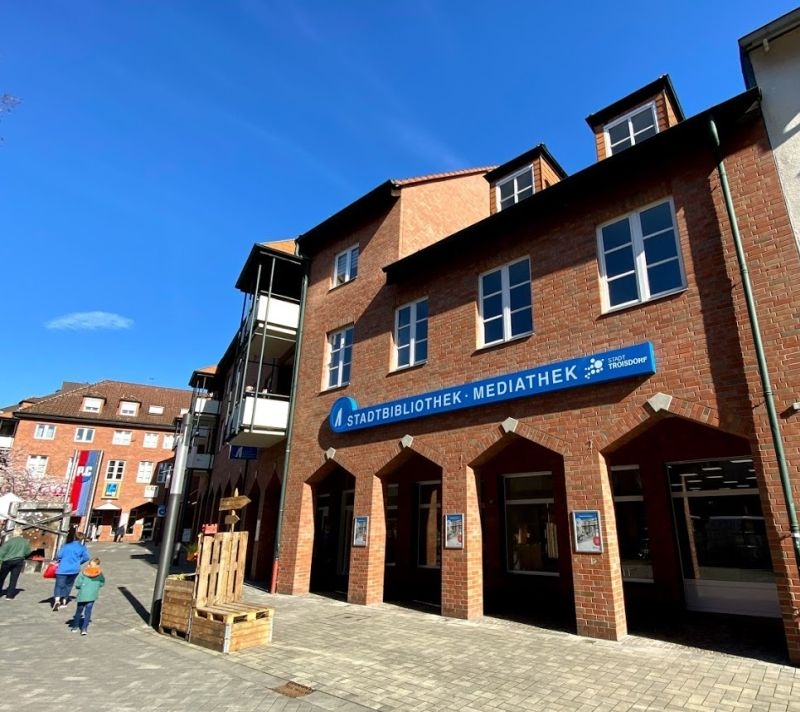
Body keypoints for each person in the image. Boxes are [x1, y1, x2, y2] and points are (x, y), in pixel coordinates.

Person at [52, 530, 90, 611]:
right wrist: (79, 562)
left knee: (59, 585)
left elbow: (59, 555)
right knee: (68, 585)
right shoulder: (82, 548)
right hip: (74, 569)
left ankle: (57, 600)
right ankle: (64, 601)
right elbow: (86, 557)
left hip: (62, 568)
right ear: (82, 539)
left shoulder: (66, 546)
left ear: (74, 537)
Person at [70, 557, 105, 635]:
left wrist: (80, 587)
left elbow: (78, 584)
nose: (88, 566)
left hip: (82, 595)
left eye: (90, 564)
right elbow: (102, 582)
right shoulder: (99, 574)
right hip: (92, 595)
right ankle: (84, 628)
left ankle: (75, 626)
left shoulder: (84, 573)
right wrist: (96, 587)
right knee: (88, 612)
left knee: (79, 611)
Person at [0, 527, 32, 600]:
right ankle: (9, 596)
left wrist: (1, 559)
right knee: (14, 579)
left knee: (1, 577)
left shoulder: (9, 541)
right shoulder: (25, 542)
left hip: (7, 561)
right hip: (19, 561)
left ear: (14, 533)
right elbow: (28, 552)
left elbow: (2, 551)